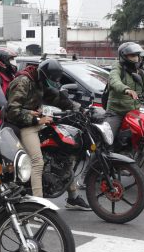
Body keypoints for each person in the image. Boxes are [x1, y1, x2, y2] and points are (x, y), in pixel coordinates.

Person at [5, 59, 91, 210]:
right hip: (23, 125)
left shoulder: (41, 81)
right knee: (37, 161)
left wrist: (81, 109)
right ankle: (37, 206)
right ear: (43, 75)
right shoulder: (23, 82)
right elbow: (13, 112)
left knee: (62, 154)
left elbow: (57, 98)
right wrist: (36, 118)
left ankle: (73, 198)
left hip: (39, 121)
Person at [105, 42, 144, 137]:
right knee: (108, 137)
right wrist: (126, 89)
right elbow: (114, 81)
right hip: (117, 112)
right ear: (124, 56)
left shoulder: (141, 72)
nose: (136, 58)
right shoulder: (117, 68)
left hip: (134, 112)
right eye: (132, 55)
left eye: (137, 55)